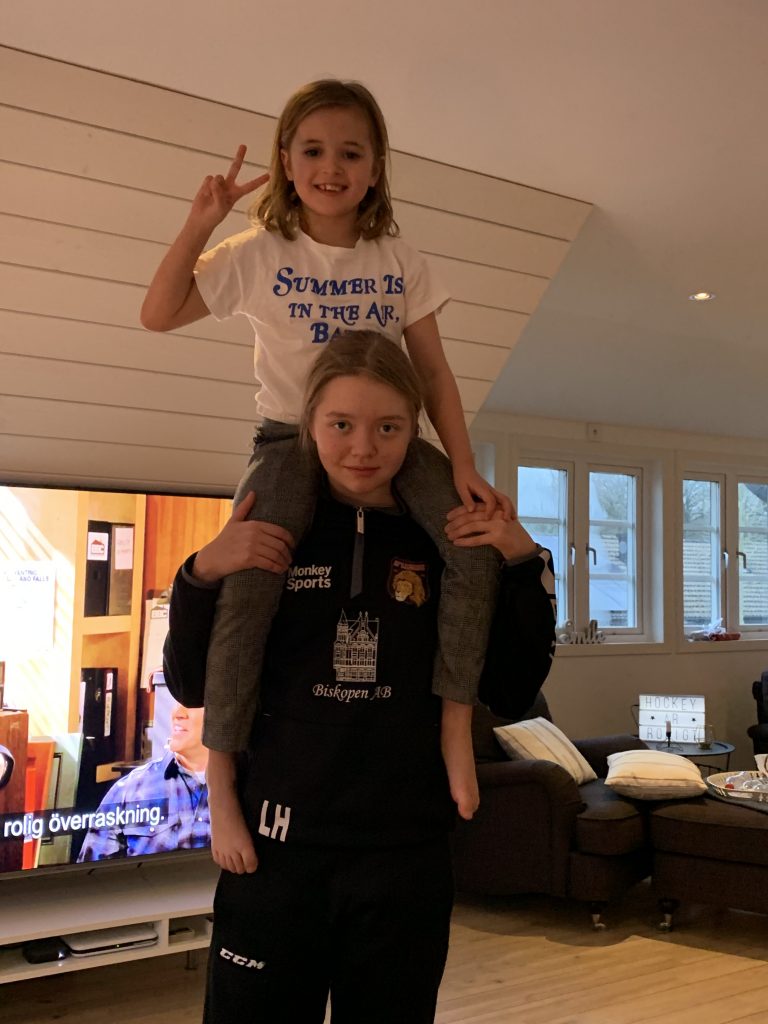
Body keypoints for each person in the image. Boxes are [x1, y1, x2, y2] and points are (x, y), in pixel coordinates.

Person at [140, 79, 512, 863]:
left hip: (389, 436)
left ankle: (453, 723)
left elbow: (433, 372)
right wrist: (201, 221)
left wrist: (465, 464)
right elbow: (159, 313)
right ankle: (222, 782)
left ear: (375, 168)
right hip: (290, 439)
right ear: (286, 161)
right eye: (312, 150)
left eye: (351, 153)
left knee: (473, 543)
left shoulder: (398, 258)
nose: (331, 168)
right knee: (251, 583)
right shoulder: (257, 251)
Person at [163, 332, 556, 1024]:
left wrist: (523, 563)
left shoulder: (445, 537)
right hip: (272, 855)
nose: (362, 449)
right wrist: (200, 572)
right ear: (309, 421)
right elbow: (191, 683)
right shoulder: (275, 522)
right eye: (341, 424)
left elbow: (512, 687)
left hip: (404, 859)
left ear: (415, 427)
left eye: (389, 427)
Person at [78, 703, 209, 861]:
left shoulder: (236, 789)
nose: (178, 714)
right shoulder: (130, 788)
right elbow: (91, 869)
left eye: (191, 702)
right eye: (177, 702)